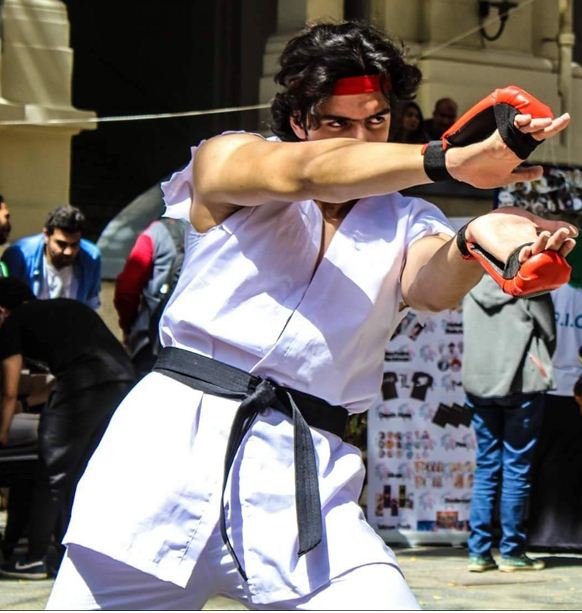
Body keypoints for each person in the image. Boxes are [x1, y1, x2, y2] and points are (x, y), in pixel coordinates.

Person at [46, 21, 575, 610]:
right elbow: (306, 171)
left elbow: (429, 285)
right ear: (299, 119)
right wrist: (447, 160)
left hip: (304, 480)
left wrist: (478, 237)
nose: (361, 139)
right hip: (164, 457)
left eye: (376, 120)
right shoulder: (231, 158)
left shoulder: (406, 219)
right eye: (337, 123)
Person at [0, 278, 135, 580]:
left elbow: (8, 391)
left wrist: (3, 432)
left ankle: (34, 558)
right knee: (77, 474)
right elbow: (61, 378)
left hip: (87, 383)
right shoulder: (61, 310)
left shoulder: (13, 323)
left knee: (51, 472)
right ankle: (69, 556)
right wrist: (26, 404)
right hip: (122, 381)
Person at [462, 275, 556, 572]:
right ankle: (512, 552)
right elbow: (548, 331)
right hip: (522, 381)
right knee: (516, 468)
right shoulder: (530, 280)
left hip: (479, 382)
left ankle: (479, 552)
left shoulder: (470, 281)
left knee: (486, 467)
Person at [527, 241, 582, 550]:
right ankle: (570, 534)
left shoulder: (549, 288)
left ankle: (539, 532)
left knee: (540, 461)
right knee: (572, 463)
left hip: (544, 383)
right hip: (577, 389)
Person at [114, 217, 188, 378]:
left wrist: (128, 326)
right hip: (189, 342)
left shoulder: (154, 233)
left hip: (149, 339)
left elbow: (127, 289)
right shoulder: (204, 233)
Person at [1, 205, 101, 309]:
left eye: (74, 245)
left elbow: (91, 305)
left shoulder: (91, 257)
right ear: (46, 235)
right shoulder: (19, 256)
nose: (68, 252)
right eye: (61, 244)